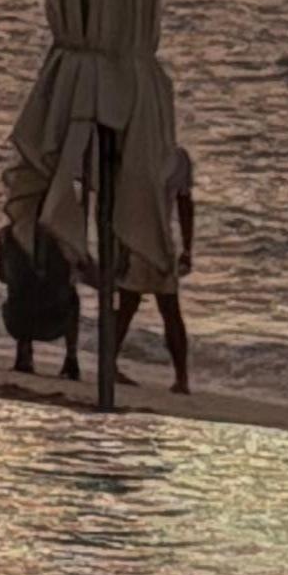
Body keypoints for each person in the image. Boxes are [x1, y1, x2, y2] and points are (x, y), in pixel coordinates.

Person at [111, 141, 197, 396]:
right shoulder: (176, 157)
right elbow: (185, 205)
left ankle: (180, 377)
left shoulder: (135, 153)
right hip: (155, 242)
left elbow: (119, 203)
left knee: (132, 306)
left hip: (139, 240)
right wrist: (187, 248)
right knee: (166, 309)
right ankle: (181, 378)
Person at [0, 206, 83, 382]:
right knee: (72, 297)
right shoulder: (60, 239)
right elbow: (78, 272)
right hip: (52, 321)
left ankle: (23, 352)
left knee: (21, 290)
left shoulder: (6, 236)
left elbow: (2, 277)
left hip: (16, 321)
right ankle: (71, 357)